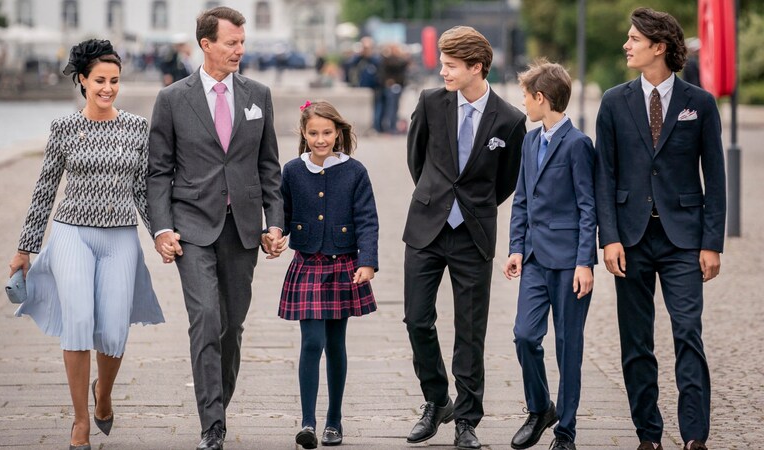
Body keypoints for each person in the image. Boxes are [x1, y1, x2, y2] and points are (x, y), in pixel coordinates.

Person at [8, 39, 164, 450]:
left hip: (120, 238)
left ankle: (104, 396)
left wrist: (161, 235)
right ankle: (79, 422)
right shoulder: (64, 128)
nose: (108, 88)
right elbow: (44, 190)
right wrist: (24, 248)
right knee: (78, 324)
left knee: (113, 330)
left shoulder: (136, 128)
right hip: (71, 235)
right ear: (82, 80)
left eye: (114, 80)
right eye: (99, 80)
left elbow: (143, 193)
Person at [146, 7, 284, 450]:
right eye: (231, 43)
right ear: (206, 44)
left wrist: (275, 221)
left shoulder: (258, 94)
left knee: (232, 326)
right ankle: (212, 424)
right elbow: (157, 171)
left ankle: (218, 403)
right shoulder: (172, 99)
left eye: (242, 42)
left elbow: (269, 167)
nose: (239, 50)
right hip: (191, 227)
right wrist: (161, 228)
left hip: (242, 229)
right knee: (205, 317)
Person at [595, 8, 726, 450]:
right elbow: (604, 176)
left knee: (688, 331)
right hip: (629, 240)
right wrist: (608, 237)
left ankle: (694, 436)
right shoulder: (613, 101)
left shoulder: (700, 103)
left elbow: (717, 176)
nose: (627, 45)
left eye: (634, 39)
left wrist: (712, 243)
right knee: (636, 341)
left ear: (660, 47)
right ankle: (648, 435)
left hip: (683, 240)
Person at [403, 26, 526, 450]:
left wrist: (472, 206)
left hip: (474, 234)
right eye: (442, 64)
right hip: (426, 228)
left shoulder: (510, 120)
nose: (443, 72)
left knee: (470, 330)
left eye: (451, 66)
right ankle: (437, 400)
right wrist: (435, 199)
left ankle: (467, 420)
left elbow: (507, 181)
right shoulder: (430, 103)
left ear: (477, 67)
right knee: (417, 319)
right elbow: (416, 160)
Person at [503, 60, 596, 450]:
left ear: (541, 98)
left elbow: (588, 207)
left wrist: (584, 263)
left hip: (570, 264)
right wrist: (516, 248)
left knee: (568, 348)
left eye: (526, 96)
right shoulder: (529, 141)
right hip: (536, 262)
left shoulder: (577, 145)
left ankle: (566, 432)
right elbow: (522, 199)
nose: (522, 103)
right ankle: (540, 407)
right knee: (524, 335)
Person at [278, 100, 379, 449]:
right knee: (312, 342)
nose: (320, 139)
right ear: (303, 134)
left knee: (335, 345)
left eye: (327, 133)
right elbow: (282, 212)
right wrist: (274, 232)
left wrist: (368, 261)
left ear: (338, 132)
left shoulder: (355, 171)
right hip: (307, 264)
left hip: (343, 266)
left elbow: (368, 219)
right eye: (313, 133)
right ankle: (307, 421)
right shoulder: (292, 170)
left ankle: (334, 422)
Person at [346, 37, 383, 132]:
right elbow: (349, 65)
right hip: (361, 88)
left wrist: (369, 56)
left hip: (375, 88)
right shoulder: (358, 59)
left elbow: (381, 69)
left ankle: (376, 127)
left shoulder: (376, 59)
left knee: (377, 108)